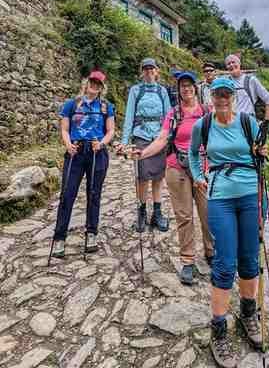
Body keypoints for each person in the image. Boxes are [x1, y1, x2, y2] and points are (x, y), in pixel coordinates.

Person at [189, 77, 268, 368]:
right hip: (220, 197)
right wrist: (198, 176)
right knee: (225, 261)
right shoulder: (204, 125)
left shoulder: (248, 123)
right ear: (210, 96)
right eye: (217, 94)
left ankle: (249, 314)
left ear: (232, 96)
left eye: (226, 94)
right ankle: (219, 329)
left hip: (249, 195)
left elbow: (260, 155)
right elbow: (192, 153)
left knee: (249, 259)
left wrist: (261, 154)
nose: (221, 98)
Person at [128, 71, 214, 286]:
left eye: (189, 85)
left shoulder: (206, 112)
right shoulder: (174, 114)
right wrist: (143, 152)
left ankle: (212, 253)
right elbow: (161, 138)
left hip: (202, 169)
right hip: (177, 168)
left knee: (208, 214)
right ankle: (187, 260)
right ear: (179, 90)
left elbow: (221, 134)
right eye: (182, 86)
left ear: (195, 88)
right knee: (184, 216)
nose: (186, 89)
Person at [53, 70, 115, 258]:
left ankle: (91, 233)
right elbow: (64, 129)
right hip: (76, 151)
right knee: (67, 194)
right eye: (92, 82)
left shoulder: (106, 106)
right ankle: (60, 237)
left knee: (94, 193)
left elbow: (111, 130)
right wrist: (68, 144)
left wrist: (102, 143)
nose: (94, 85)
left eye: (98, 84)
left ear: (101, 88)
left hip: (97, 152)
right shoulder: (71, 104)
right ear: (86, 82)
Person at [116, 58, 171, 233]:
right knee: (142, 177)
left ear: (156, 71)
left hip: (159, 138)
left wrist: (169, 136)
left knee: (158, 176)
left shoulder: (162, 91)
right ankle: (141, 212)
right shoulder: (135, 90)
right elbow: (129, 116)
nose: (148, 71)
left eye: (151, 68)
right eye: (145, 69)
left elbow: (169, 115)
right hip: (141, 136)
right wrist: (125, 142)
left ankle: (157, 212)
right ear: (142, 72)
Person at [225, 53, 269, 121]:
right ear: (226, 67)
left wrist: (267, 121)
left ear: (239, 63)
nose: (231, 65)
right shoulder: (225, 83)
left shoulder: (251, 80)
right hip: (232, 122)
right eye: (228, 64)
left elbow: (268, 98)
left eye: (233, 62)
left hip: (249, 121)